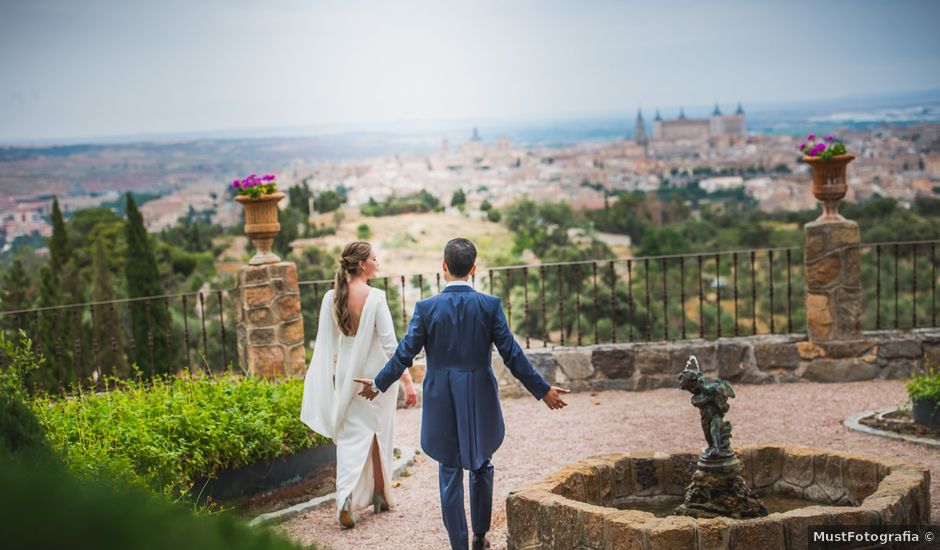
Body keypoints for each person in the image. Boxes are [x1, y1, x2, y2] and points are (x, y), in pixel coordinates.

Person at [354, 238, 569, 550]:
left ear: (443, 268)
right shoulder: (489, 305)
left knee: (449, 470)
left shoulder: (426, 309)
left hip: (441, 396)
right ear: (473, 269)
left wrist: (378, 383)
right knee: (482, 462)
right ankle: (480, 536)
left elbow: (404, 354)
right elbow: (512, 354)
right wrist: (543, 390)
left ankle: (460, 546)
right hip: (480, 392)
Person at [300, 241, 417, 528]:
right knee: (379, 432)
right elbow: (391, 346)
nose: (378, 262)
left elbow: (329, 345)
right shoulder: (375, 297)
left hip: (347, 374)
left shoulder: (331, 296)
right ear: (362, 264)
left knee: (352, 437)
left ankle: (347, 499)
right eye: (375, 258)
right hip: (376, 375)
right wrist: (407, 381)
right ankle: (379, 493)